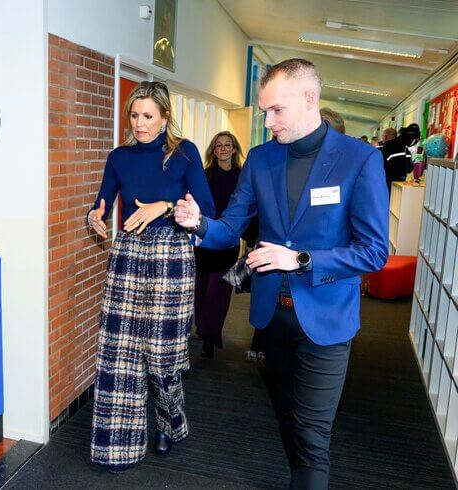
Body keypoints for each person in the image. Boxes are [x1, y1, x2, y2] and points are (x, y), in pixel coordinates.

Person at [174, 58, 388, 489]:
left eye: (277, 111)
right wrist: (200, 223)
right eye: (264, 112)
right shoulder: (260, 159)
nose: (268, 121)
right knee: (289, 419)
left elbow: (374, 251)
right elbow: (231, 227)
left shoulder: (359, 160)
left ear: (309, 99)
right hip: (272, 318)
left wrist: (302, 259)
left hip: (326, 322)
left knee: (312, 437)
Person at [86, 81, 214, 472]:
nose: (139, 124)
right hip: (127, 254)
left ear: (164, 117)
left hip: (171, 257)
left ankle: (170, 421)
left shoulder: (185, 153)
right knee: (119, 352)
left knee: (161, 357)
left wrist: (166, 204)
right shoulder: (119, 157)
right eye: (134, 115)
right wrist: (94, 217)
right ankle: (117, 449)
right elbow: (101, 204)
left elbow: (206, 208)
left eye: (147, 116)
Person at [194, 131, 256, 359]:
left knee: (217, 293)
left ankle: (211, 337)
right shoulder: (205, 175)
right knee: (200, 290)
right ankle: (204, 330)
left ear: (234, 149)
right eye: (218, 145)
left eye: (227, 145)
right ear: (214, 150)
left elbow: (250, 210)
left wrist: (250, 241)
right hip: (204, 243)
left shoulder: (243, 177)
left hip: (228, 243)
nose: (223, 149)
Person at [381, 123, 420, 191]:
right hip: (401, 185)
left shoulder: (387, 146)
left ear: (385, 137)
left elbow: (381, 165)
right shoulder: (406, 149)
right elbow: (410, 169)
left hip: (387, 183)